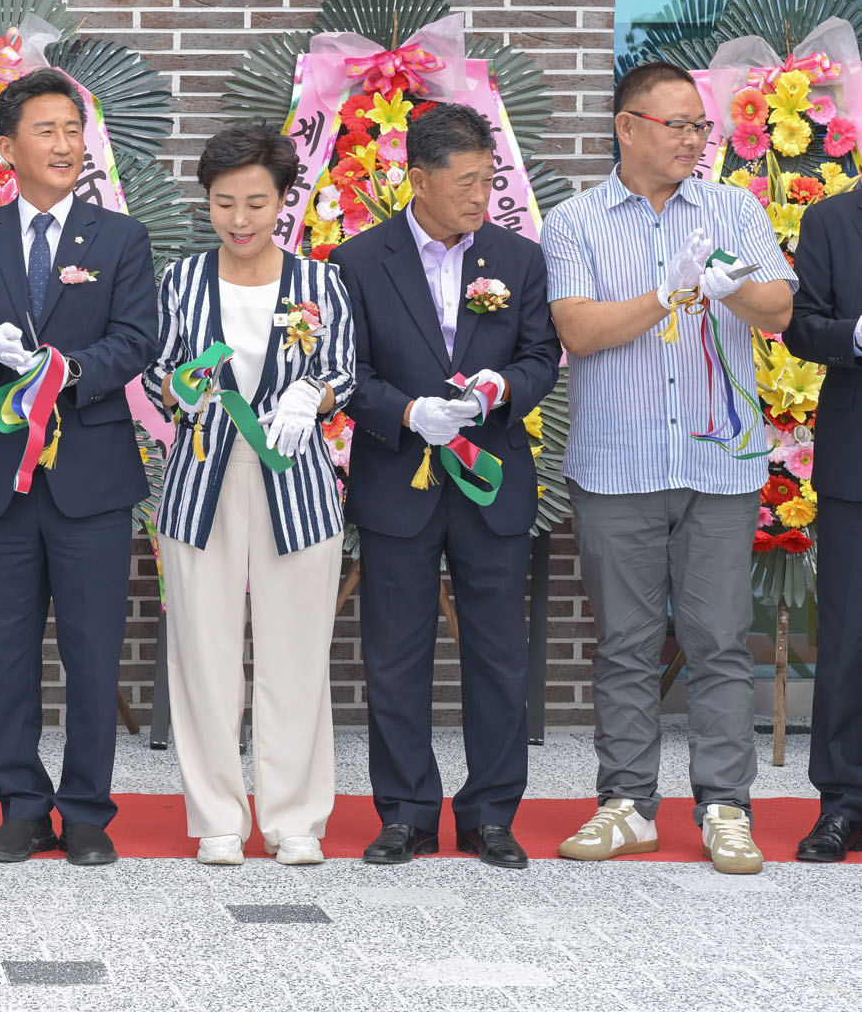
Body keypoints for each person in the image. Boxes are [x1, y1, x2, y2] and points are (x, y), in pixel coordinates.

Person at [541, 61, 793, 876]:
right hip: (617, 464)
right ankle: (626, 805)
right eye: (677, 125)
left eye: (700, 126)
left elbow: (779, 308)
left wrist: (727, 289)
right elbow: (579, 331)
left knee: (720, 641)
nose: (693, 140)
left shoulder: (733, 208)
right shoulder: (574, 221)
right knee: (625, 643)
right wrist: (668, 292)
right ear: (627, 126)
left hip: (719, 465)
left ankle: (726, 808)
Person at [0, 69, 158, 866]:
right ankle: (21, 805)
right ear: (6, 145)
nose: (64, 144)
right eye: (46, 130)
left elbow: (137, 339)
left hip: (91, 478)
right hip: (2, 481)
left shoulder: (120, 237)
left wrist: (67, 371)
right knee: (8, 651)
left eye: (72, 129)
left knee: (92, 652)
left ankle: (87, 809)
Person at [330, 103, 561, 870]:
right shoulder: (359, 261)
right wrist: (406, 411)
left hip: (492, 482)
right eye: (465, 182)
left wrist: (501, 389)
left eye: (488, 180)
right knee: (395, 655)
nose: (480, 196)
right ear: (418, 179)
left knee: (498, 656)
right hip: (399, 478)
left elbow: (541, 355)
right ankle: (405, 814)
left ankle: (492, 813)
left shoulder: (518, 258)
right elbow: (346, 372)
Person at [143, 121, 353, 867]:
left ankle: (295, 818)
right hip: (201, 481)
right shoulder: (181, 281)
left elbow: (344, 369)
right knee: (203, 653)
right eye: (223, 202)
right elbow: (156, 368)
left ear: (284, 200)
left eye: (256, 203)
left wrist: (313, 394)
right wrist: (176, 386)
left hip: (297, 482)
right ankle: (217, 817)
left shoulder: (320, 283)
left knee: (297, 653)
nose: (239, 219)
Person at [776, 175, 862, 862]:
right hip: (856, 460)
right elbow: (800, 325)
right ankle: (843, 802)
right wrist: (854, 335)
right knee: (847, 636)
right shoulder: (831, 220)